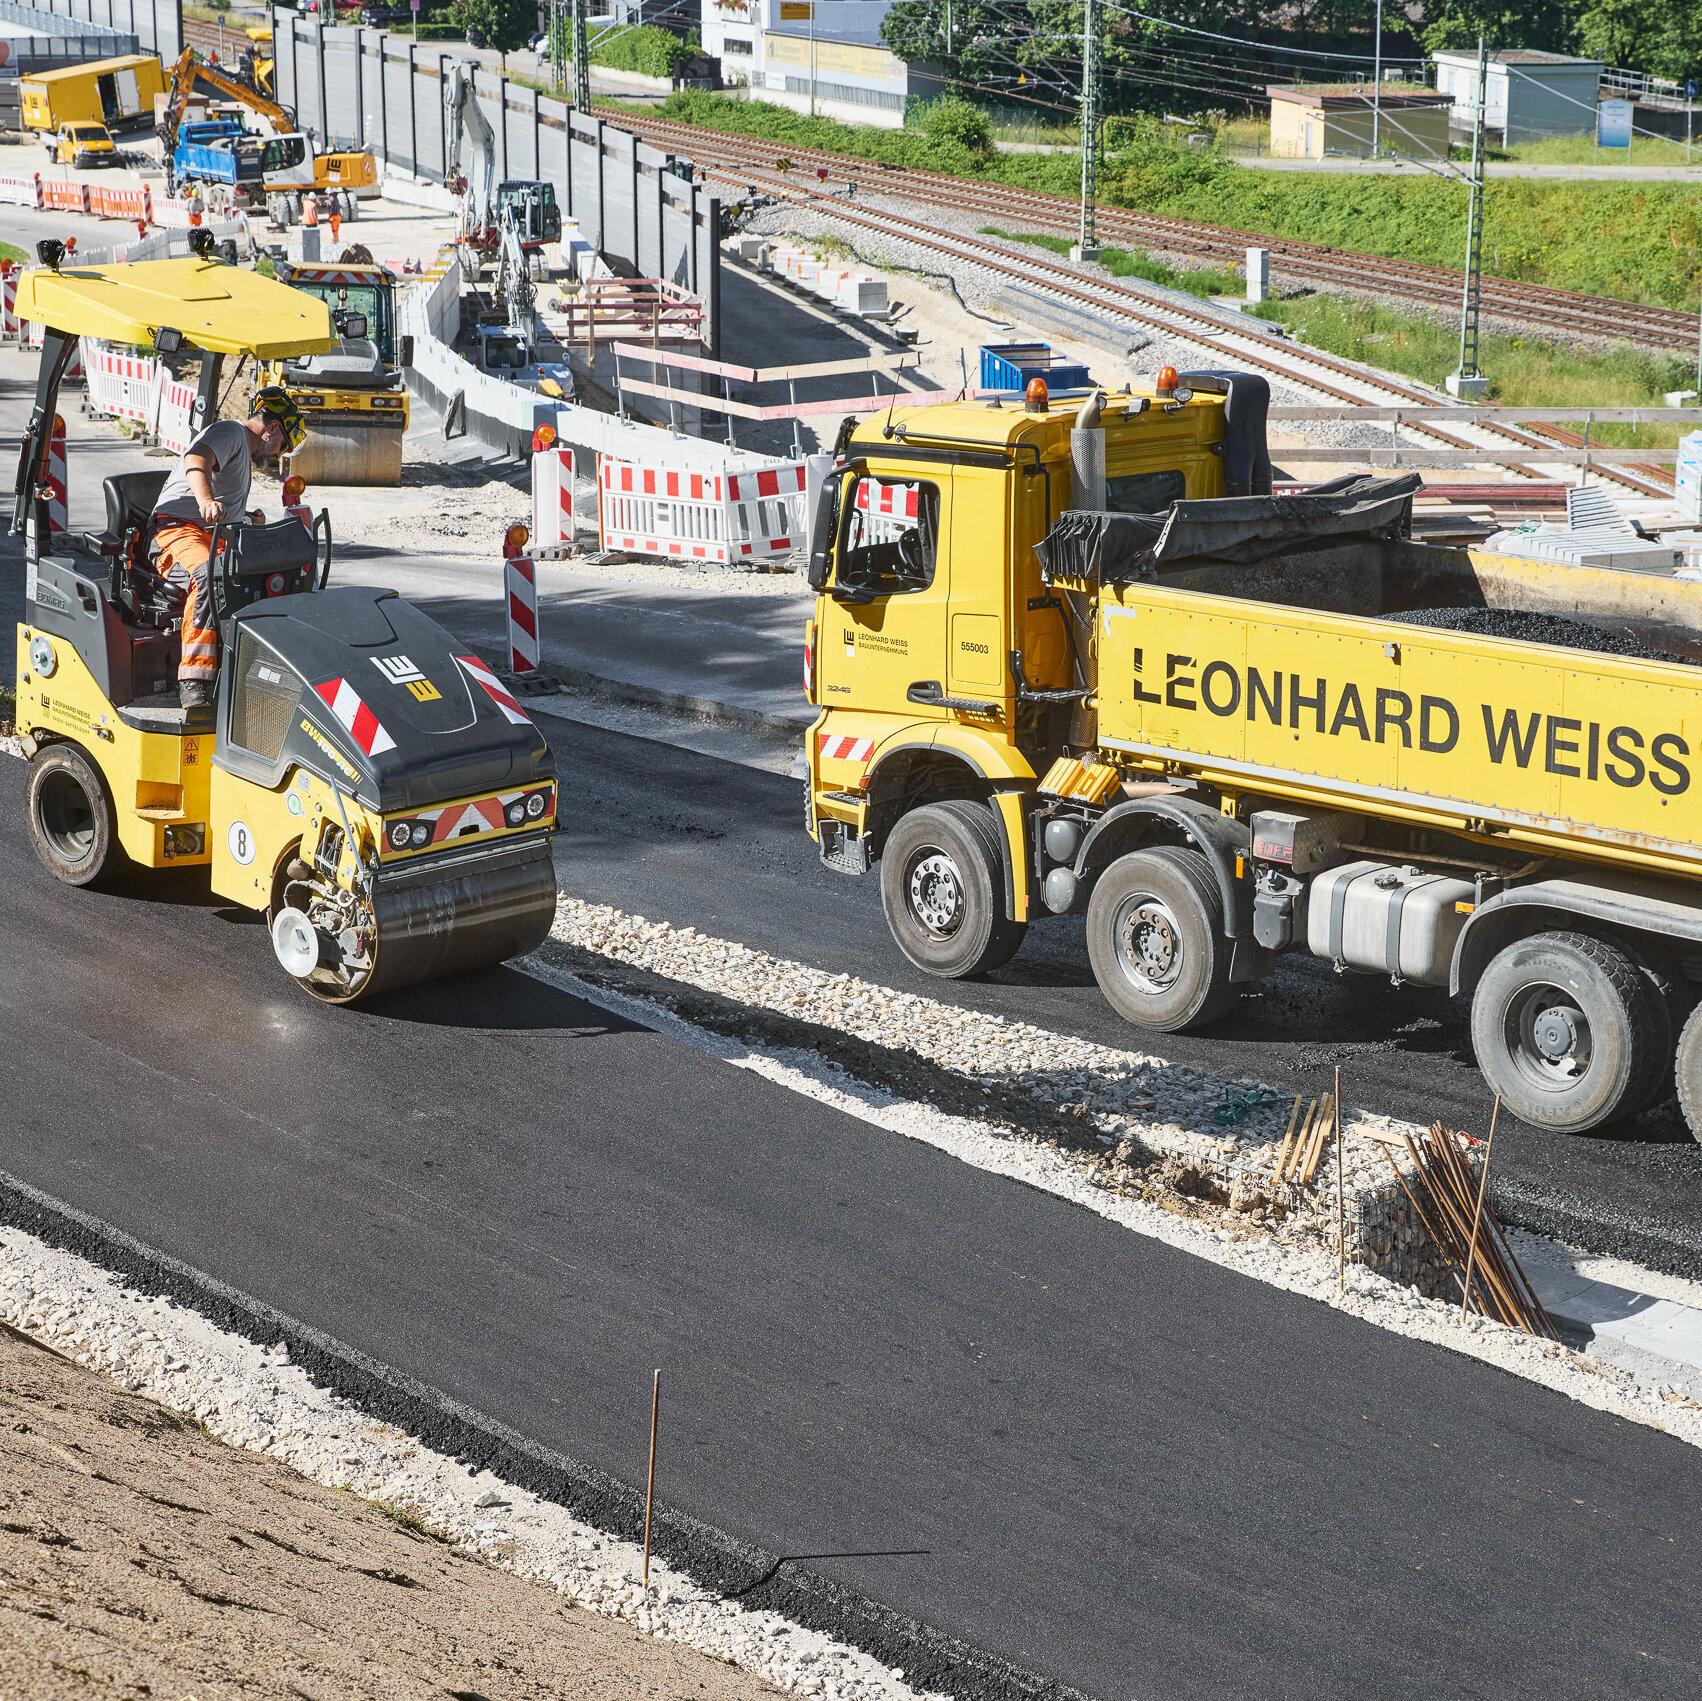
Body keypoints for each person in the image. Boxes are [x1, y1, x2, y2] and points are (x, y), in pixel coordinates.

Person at [149, 388, 307, 709]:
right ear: (271, 428)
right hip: (175, 528)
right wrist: (205, 500)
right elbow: (196, 458)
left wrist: (248, 519)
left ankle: (254, 672)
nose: (279, 454)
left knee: (262, 578)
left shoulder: (242, 454)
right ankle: (195, 679)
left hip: (211, 535)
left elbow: (224, 513)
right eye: (282, 444)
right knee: (210, 577)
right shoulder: (230, 433)